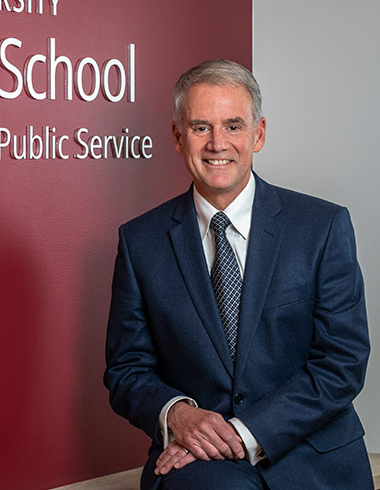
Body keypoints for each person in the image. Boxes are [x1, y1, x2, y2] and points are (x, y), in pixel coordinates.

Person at [103, 59, 372, 489]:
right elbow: (127, 369)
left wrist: (243, 433)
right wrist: (177, 415)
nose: (216, 144)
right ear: (177, 137)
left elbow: (342, 362)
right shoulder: (141, 242)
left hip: (314, 454)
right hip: (201, 461)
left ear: (258, 134)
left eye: (232, 126)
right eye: (199, 127)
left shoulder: (322, 228)